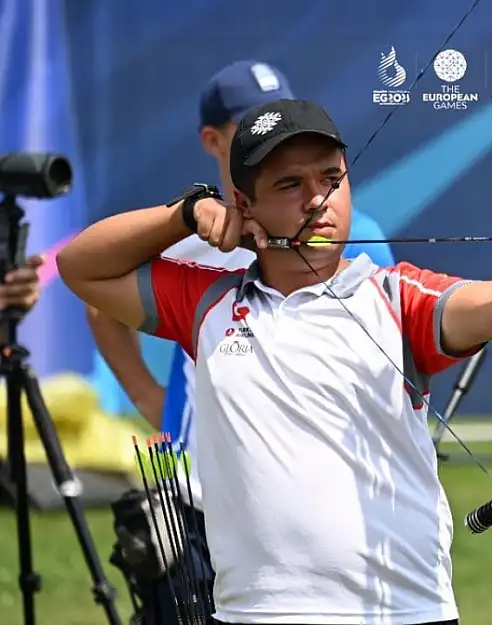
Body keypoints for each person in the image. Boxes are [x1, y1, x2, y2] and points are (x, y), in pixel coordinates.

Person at [57, 98, 492, 625]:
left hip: (399, 613)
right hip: (250, 614)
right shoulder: (209, 302)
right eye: (289, 185)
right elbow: (80, 266)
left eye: (332, 179)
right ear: (244, 207)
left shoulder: (394, 297)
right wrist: (187, 214)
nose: (318, 200)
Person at [84, 62, 395, 624]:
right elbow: (95, 293)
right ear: (213, 140)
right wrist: (152, 399)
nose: (313, 197)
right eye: (250, 123)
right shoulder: (195, 232)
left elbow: (388, 344)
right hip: (197, 487)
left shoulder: (354, 229)